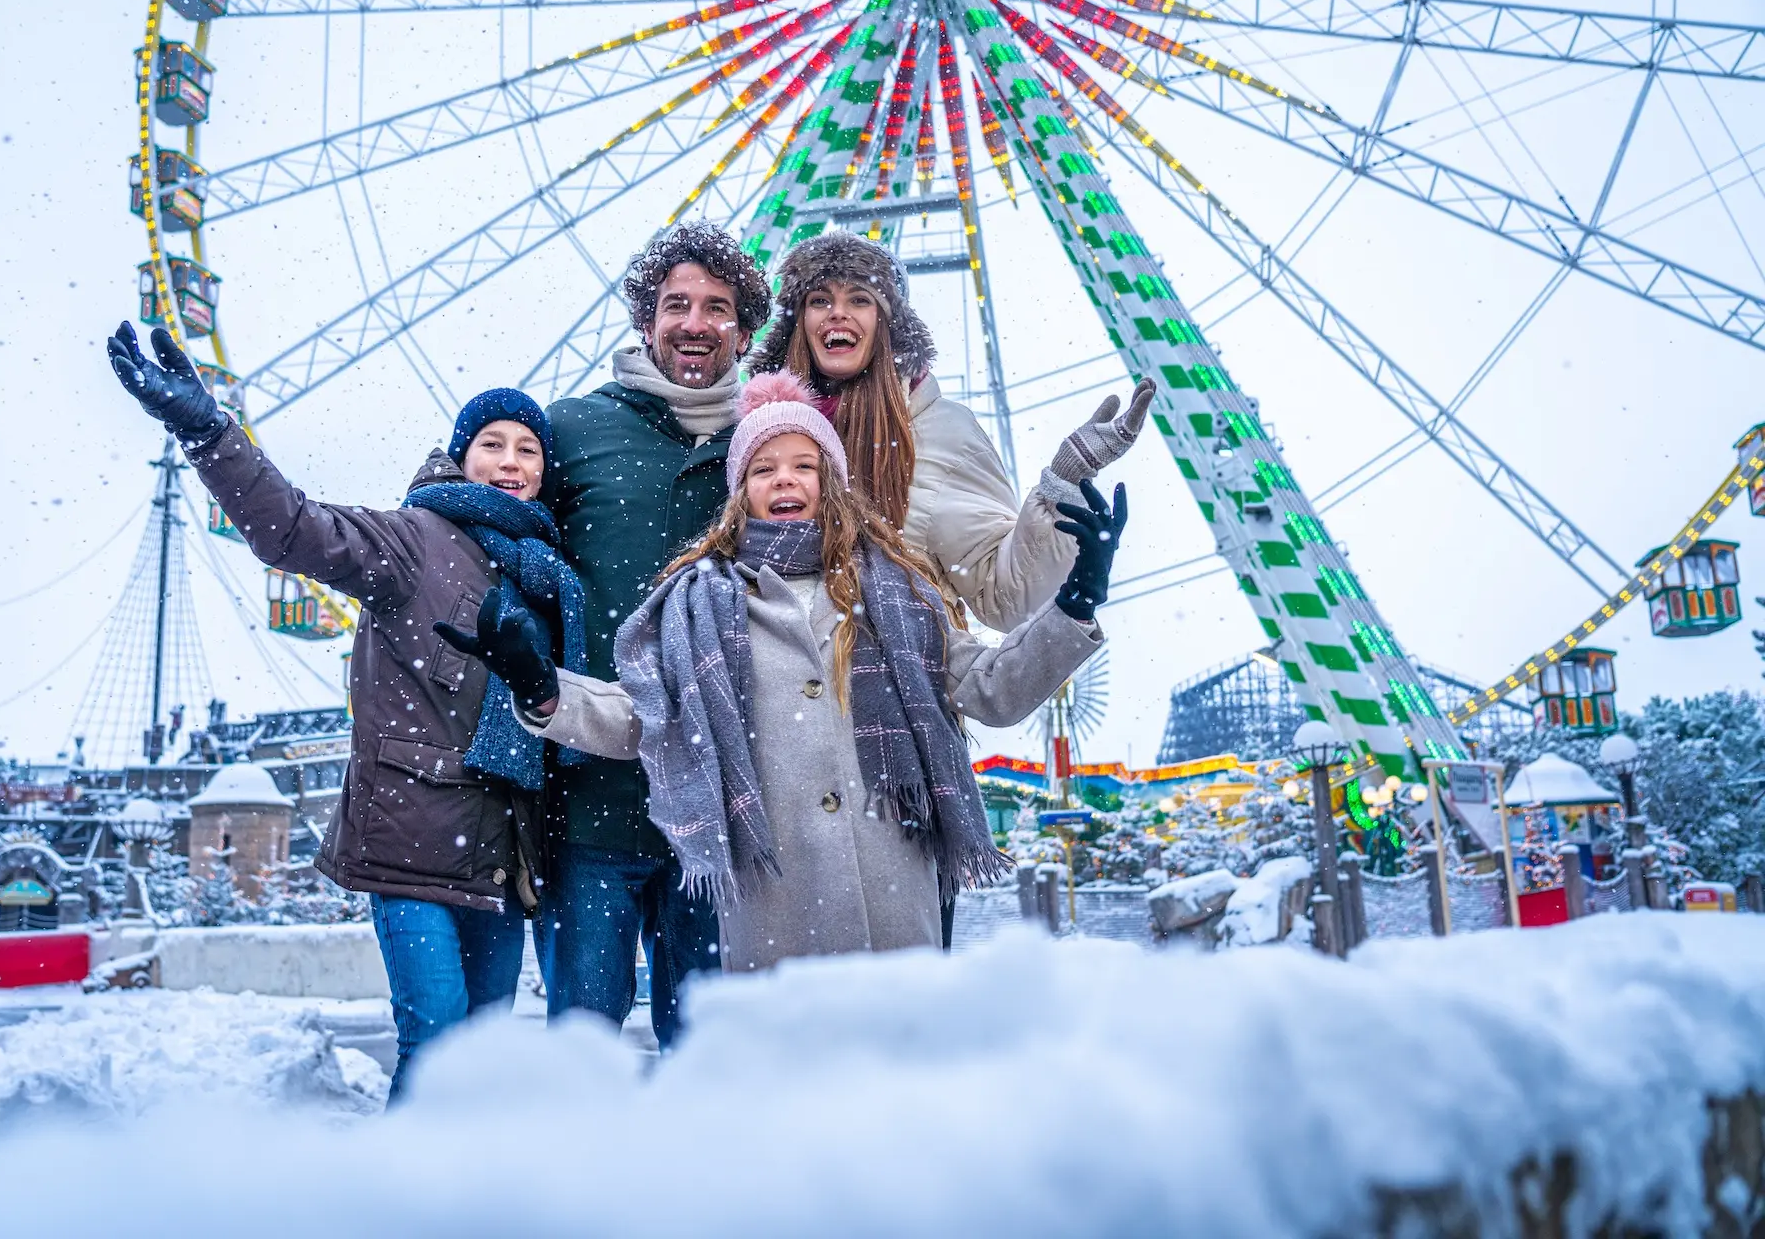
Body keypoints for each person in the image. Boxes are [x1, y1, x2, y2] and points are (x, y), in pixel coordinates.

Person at [443, 371, 1119, 969]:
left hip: (896, 900)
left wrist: (1073, 606)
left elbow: (991, 689)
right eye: (764, 470)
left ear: (831, 483)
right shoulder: (697, 601)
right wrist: (543, 687)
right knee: (792, 1099)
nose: (786, 480)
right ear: (741, 493)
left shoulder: (901, 593)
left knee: (902, 1099)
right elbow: (641, 717)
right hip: (777, 911)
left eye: (805, 465)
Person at [105, 323, 586, 1104]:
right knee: (435, 1039)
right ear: (461, 457)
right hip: (412, 845)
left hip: (502, 852)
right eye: (492, 444)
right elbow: (293, 528)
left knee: (483, 1057)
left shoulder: (548, 574)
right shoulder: (411, 541)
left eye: (528, 449)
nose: (510, 462)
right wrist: (207, 429)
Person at [537, 220, 773, 1045]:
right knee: (582, 1049)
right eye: (677, 304)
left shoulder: (772, 443)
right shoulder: (571, 430)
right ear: (647, 323)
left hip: (724, 805)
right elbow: (482, 508)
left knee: (711, 1056)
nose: (696, 323)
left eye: (718, 307)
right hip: (593, 798)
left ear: (745, 331)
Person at [745, 229, 1157, 633]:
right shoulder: (753, 436)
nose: (838, 312)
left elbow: (1005, 597)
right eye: (820, 300)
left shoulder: (940, 434)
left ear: (887, 325)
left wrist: (1060, 495)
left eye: (859, 299)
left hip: (899, 680)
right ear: (798, 324)